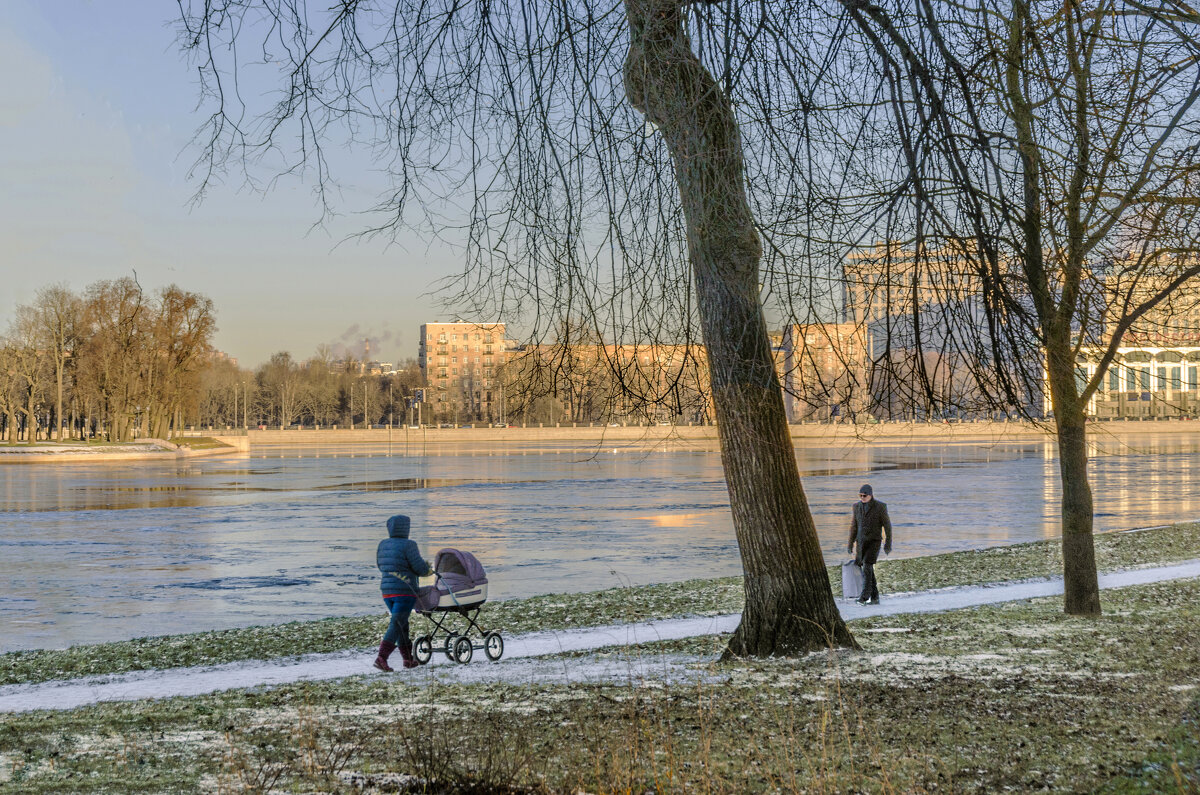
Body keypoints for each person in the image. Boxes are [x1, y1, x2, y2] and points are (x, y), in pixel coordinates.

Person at [374, 514, 434, 671]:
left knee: (401, 624)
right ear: (406, 528)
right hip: (404, 591)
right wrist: (428, 570)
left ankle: (408, 659)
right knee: (397, 623)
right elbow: (420, 569)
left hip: (387, 591)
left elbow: (381, 566)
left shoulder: (383, 544)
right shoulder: (409, 545)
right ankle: (382, 658)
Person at [847, 483, 892, 605]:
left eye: (864, 495)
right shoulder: (856, 507)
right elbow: (854, 526)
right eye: (860, 495)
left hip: (874, 542)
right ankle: (875, 596)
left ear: (871, 495)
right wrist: (850, 543)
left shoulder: (880, 507)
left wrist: (888, 543)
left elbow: (887, 526)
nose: (862, 497)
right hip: (861, 543)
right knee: (867, 569)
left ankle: (865, 596)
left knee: (867, 565)